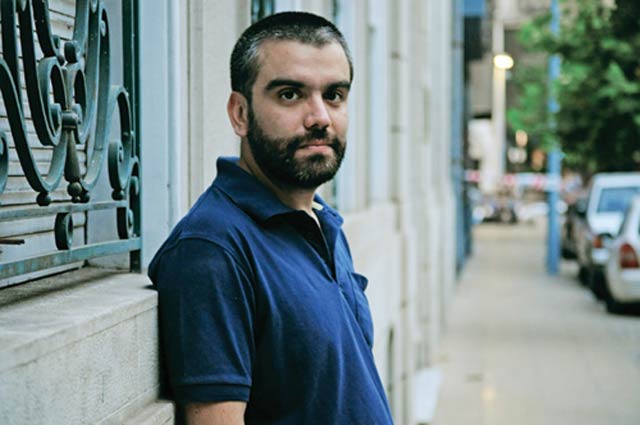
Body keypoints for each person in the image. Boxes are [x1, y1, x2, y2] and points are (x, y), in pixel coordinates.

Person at [148, 11, 394, 425]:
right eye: (290, 94)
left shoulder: (321, 220)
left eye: (334, 95)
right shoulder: (212, 250)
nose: (320, 117)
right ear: (240, 113)